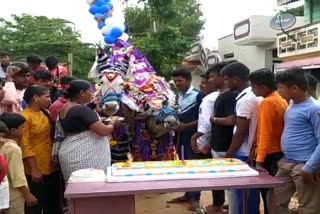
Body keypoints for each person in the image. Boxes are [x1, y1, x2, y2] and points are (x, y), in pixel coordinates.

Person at [274, 68, 320, 214]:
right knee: (277, 202)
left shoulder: (313, 109)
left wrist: (309, 167)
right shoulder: (292, 104)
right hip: (286, 162)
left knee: (308, 208)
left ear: (294, 88)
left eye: (281, 87)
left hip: (305, 164)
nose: (278, 90)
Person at [57, 80, 115, 182]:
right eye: (89, 91)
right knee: (89, 188)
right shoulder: (81, 110)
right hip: (83, 155)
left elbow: (81, 123)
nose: (92, 94)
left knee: (76, 190)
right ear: (82, 93)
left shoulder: (66, 106)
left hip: (71, 151)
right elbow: (104, 131)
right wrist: (113, 123)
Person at [222, 62, 261, 214]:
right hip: (247, 150)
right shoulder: (251, 95)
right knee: (248, 196)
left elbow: (241, 131)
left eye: (227, 79)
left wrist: (229, 154)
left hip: (243, 152)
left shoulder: (246, 99)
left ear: (236, 79)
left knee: (244, 196)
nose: (226, 82)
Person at [248, 68, 288, 214]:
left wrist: (259, 161)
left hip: (269, 156)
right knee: (275, 198)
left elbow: (265, 133)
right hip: (278, 154)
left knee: (269, 197)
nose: (251, 90)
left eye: (253, 86)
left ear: (263, 87)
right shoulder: (280, 99)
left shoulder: (267, 103)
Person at [167, 68, 204, 211]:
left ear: (188, 80)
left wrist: (185, 126)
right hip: (179, 136)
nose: (177, 83)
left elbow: (203, 118)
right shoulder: (178, 96)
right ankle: (188, 194)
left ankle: (195, 199)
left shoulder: (198, 96)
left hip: (193, 137)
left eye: (180, 80)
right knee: (184, 164)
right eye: (175, 81)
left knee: (194, 166)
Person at [20, 85, 61, 214]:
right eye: (47, 96)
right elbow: (24, 144)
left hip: (50, 163)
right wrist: (34, 168)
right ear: (35, 98)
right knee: (37, 203)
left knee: (53, 201)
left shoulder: (45, 112)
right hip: (35, 166)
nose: (49, 99)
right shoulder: (25, 117)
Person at [0, 113, 38, 214]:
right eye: (22, 127)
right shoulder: (13, 149)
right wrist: (28, 195)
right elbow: (17, 176)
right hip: (14, 196)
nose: (24, 129)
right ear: (13, 130)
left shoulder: (3, 145)